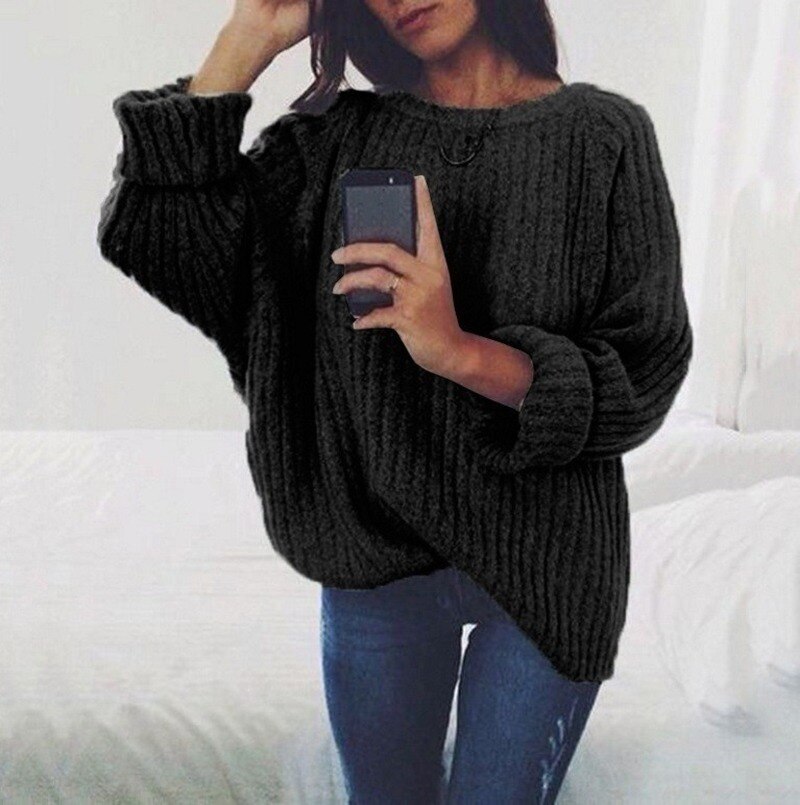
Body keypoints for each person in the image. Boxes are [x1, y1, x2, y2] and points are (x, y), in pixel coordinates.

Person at [97, 0, 693, 801]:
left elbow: (643, 370)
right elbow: (155, 236)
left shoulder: (604, 136)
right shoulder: (329, 144)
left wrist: (456, 349)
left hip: (546, 568)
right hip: (373, 563)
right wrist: (249, 36)